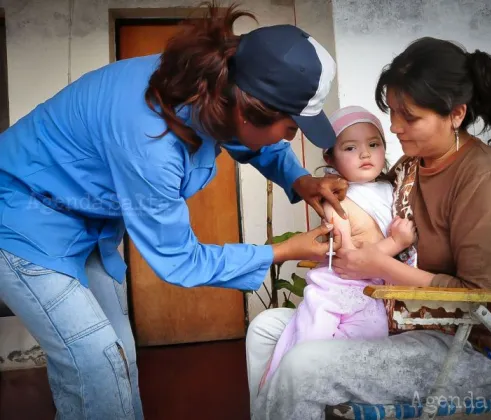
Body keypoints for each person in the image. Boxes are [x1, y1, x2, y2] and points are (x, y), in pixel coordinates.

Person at [0, 4, 347, 420]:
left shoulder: (215, 89)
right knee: (96, 361)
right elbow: (179, 260)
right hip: (19, 217)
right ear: (248, 107)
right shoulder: (150, 137)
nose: (291, 139)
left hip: (82, 218)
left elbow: (252, 136)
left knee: (119, 355)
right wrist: (284, 250)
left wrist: (299, 180)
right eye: (291, 129)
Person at [248, 36, 491, 420]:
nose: (394, 127)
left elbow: (483, 299)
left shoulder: (483, 180)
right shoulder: (414, 165)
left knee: (303, 365)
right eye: (393, 112)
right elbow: (368, 196)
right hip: (399, 319)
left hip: (466, 348)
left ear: (456, 114)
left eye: (409, 117)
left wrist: (376, 265)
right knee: (264, 329)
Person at [257, 106, 416, 390]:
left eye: (373, 144)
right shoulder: (336, 202)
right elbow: (349, 259)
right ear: (330, 158)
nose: (365, 154)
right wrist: (396, 243)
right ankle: (290, 388)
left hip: (375, 290)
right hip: (338, 289)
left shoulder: (394, 190)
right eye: (351, 148)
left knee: (369, 341)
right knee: (312, 344)